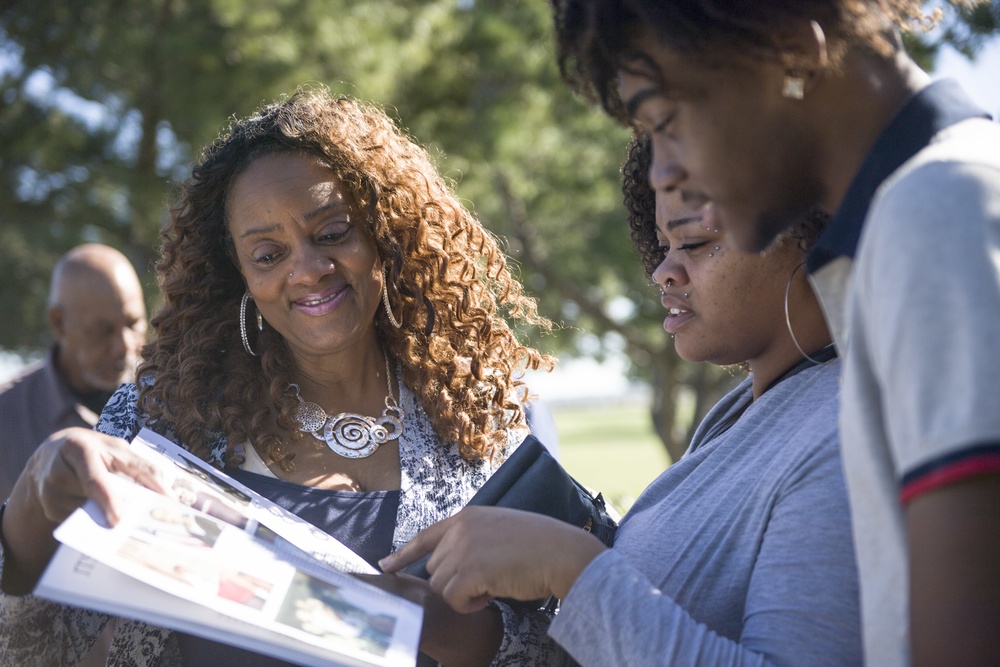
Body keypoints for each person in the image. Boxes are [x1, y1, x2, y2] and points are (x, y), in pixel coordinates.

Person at [0, 89, 557, 666]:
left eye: (332, 232)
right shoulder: (159, 421)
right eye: (268, 254)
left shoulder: (483, 426)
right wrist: (33, 500)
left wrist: (441, 626)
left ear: (384, 235)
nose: (308, 270)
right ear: (238, 274)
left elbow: (580, 639)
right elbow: (35, 645)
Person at [546, 1, 1000, 665]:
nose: (662, 173)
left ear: (791, 52)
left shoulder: (938, 207)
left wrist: (575, 574)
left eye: (667, 123)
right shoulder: (915, 214)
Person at [382, 135, 862, 666]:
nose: (664, 271)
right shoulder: (742, 410)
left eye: (696, 243)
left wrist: (569, 566)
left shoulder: (842, 430)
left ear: (809, 233)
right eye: (663, 247)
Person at [0, 243, 147, 501]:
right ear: (59, 323)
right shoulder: (7, 420)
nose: (124, 346)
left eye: (133, 324)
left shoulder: (171, 400)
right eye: (102, 330)